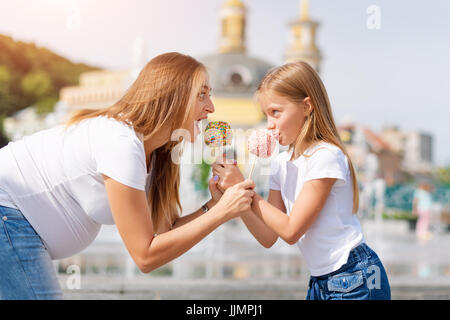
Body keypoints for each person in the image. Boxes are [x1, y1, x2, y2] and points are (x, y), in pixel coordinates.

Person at [0, 52, 255, 300]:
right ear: (171, 97)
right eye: (202, 95)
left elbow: (166, 231)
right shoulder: (121, 142)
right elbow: (145, 256)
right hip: (6, 209)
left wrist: (215, 205)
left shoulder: (156, 152)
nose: (211, 107)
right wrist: (223, 213)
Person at [212, 61, 391, 300]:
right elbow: (268, 236)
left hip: (354, 276)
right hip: (321, 280)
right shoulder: (280, 163)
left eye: (276, 112)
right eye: (266, 115)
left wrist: (249, 194)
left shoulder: (325, 156)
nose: (270, 124)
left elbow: (291, 230)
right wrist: (238, 193)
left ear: (306, 106)